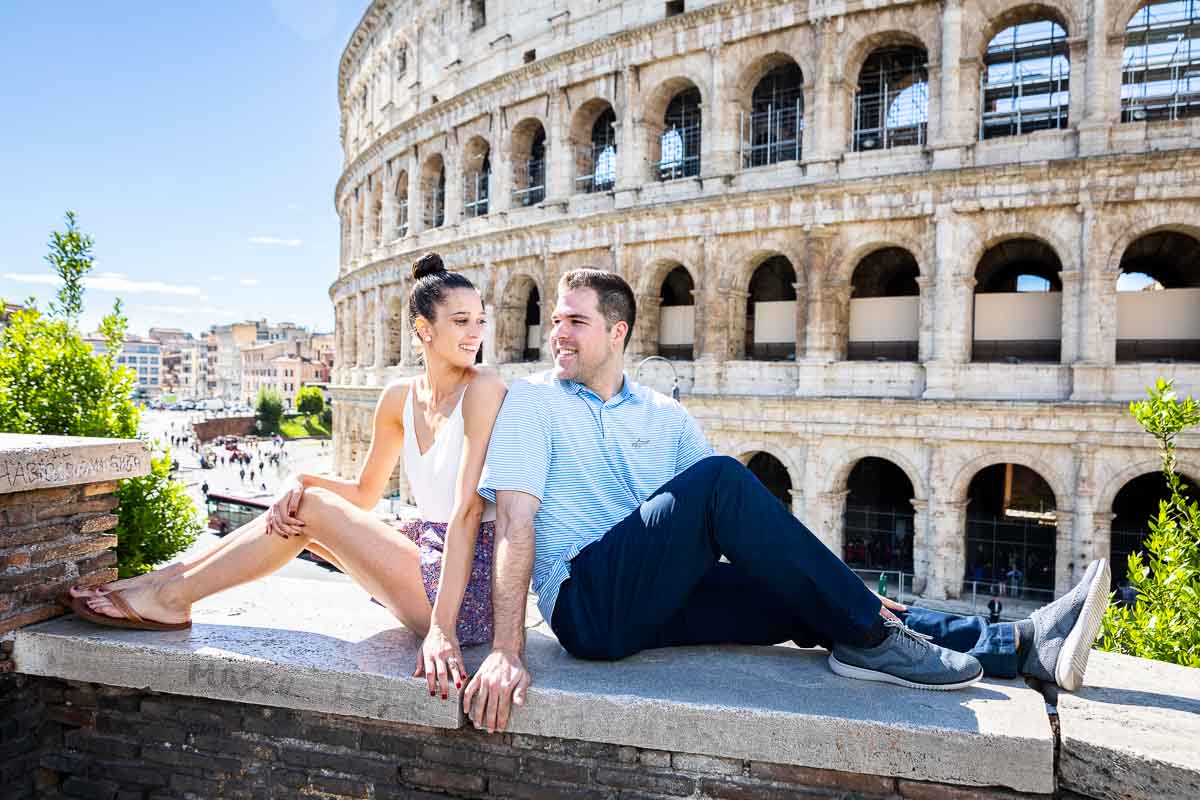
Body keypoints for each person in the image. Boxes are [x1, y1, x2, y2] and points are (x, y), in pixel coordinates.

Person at [462, 268, 1113, 733]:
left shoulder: (665, 414)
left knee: (807, 596)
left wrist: (838, 586)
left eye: (575, 322)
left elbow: (735, 522)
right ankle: (868, 634)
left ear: (618, 330)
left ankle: (1023, 644)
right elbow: (515, 523)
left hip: (657, 601)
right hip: (588, 605)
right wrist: (507, 648)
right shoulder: (534, 400)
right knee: (721, 480)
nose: (558, 336)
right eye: (556, 323)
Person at [65, 253, 508, 699]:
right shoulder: (398, 397)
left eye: (480, 321)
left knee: (309, 509)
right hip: (423, 557)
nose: (476, 333)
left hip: (465, 587)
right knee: (298, 507)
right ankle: (159, 584)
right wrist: (299, 481)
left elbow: (469, 512)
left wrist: (441, 630)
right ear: (424, 329)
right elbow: (364, 493)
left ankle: (172, 599)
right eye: (462, 320)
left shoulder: (484, 387)